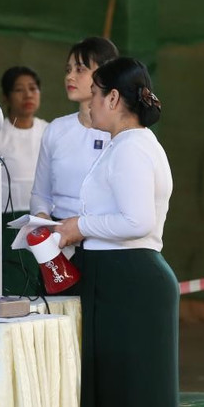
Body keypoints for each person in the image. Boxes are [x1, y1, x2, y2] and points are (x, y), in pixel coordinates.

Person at [56, 57, 184, 407]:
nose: (88, 102)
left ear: (112, 97)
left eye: (94, 93)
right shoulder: (123, 144)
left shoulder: (132, 147)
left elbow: (136, 221)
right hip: (116, 281)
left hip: (130, 284)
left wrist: (78, 226)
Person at [30, 37, 119, 293]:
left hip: (105, 247)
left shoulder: (120, 134)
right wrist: (44, 221)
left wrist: (82, 229)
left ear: (104, 75)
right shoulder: (56, 130)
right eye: (68, 69)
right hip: (58, 250)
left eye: (80, 69)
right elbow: (40, 194)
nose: (70, 76)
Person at [0, 66, 49, 296]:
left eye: (33, 88)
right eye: (19, 90)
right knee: (15, 285)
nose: (28, 95)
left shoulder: (49, 131)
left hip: (43, 222)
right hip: (7, 224)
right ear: (6, 97)